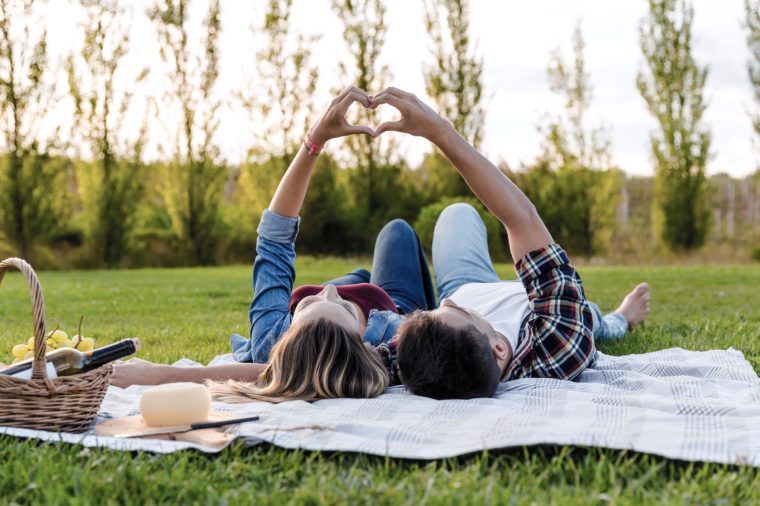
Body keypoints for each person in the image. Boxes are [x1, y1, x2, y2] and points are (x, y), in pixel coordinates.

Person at [111, 86, 436, 401]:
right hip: (390, 303)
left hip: (319, 327)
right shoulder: (397, 338)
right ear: (366, 348)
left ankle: (347, 292)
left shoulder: (270, 338)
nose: (329, 290)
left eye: (305, 305)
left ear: (288, 334)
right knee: (395, 231)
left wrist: (314, 141)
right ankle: (357, 291)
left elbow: (274, 239)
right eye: (343, 307)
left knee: (350, 280)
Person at [363, 86, 651, 399]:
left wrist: (315, 143)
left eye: (434, 312)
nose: (443, 303)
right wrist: (439, 131)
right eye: (454, 312)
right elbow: (521, 218)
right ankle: (622, 315)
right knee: (593, 317)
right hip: (535, 303)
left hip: (466, 284)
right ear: (499, 348)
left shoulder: (414, 359)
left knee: (456, 213)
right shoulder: (559, 343)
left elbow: (333, 363)